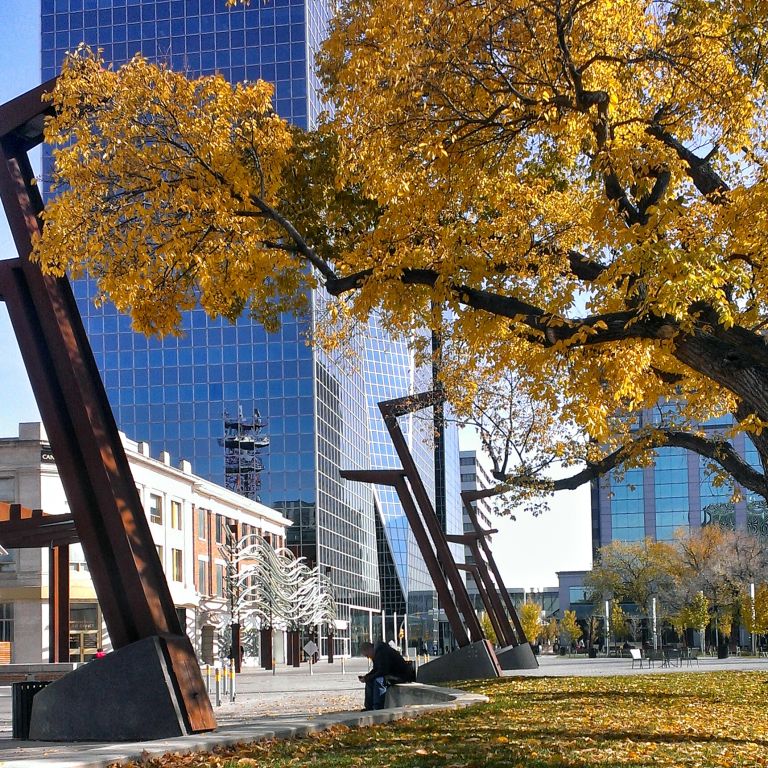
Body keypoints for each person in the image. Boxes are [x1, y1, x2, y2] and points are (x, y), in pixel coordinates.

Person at [358, 640, 415, 711]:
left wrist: (368, 677)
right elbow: (376, 669)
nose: (368, 657)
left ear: (370, 649)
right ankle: (369, 707)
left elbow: (383, 671)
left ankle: (378, 708)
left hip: (400, 675)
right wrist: (366, 677)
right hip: (391, 674)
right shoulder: (377, 652)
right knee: (370, 681)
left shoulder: (382, 652)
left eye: (367, 655)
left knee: (379, 681)